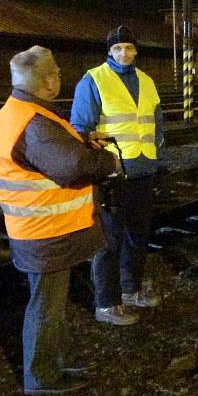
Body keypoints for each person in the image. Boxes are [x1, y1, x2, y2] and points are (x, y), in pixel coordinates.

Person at [0, 46, 120, 395]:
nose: (61, 77)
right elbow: (72, 166)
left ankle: (55, 362)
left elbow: (52, 150)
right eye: (59, 73)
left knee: (50, 302)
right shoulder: (34, 122)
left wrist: (82, 139)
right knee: (46, 306)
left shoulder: (19, 110)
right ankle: (42, 375)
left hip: (39, 230)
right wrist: (109, 163)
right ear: (48, 82)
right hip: (44, 232)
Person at [71, 25, 166, 325]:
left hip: (143, 169)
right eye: (117, 49)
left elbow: (157, 127)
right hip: (112, 173)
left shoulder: (147, 82)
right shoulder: (93, 80)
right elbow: (81, 128)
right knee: (108, 239)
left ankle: (131, 290)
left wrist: (161, 162)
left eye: (128, 48)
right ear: (109, 52)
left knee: (138, 235)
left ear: (136, 51)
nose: (124, 53)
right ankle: (107, 303)